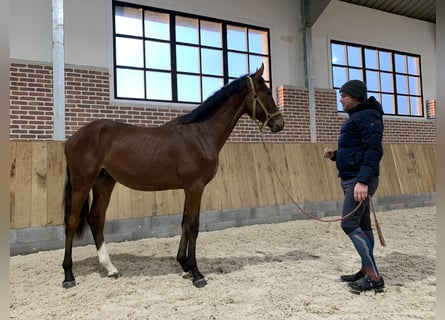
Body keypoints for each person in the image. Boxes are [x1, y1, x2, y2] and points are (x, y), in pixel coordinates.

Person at [323, 79, 385, 294]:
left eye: (344, 96)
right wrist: (336, 155)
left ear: (355, 96)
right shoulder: (359, 116)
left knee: (348, 224)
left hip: (359, 180)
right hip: (354, 177)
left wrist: (363, 181)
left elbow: (373, 151)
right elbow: (357, 150)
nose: (341, 99)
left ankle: (375, 277)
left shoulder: (367, 116)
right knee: (364, 225)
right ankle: (366, 270)